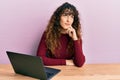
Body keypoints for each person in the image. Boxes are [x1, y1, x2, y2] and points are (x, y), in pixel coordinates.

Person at [37, 2, 85, 67]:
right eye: (65, 15)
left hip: (70, 73)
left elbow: (80, 63)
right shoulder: (48, 34)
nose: (68, 20)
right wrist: (65, 62)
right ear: (58, 17)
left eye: (71, 17)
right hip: (54, 71)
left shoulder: (75, 36)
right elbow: (40, 59)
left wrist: (75, 39)